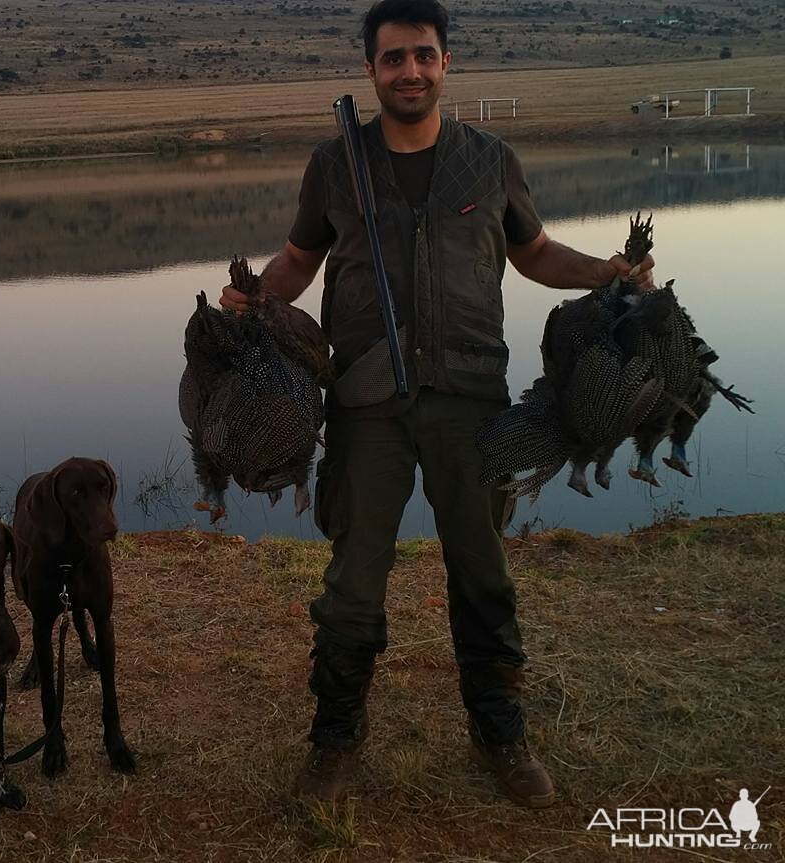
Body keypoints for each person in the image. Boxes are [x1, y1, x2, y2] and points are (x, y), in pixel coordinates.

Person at [220, 0, 655, 808]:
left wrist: (610, 273)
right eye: (394, 58)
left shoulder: (490, 161)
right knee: (354, 580)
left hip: (471, 400)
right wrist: (247, 300)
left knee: (482, 571)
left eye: (423, 55)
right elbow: (295, 262)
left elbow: (534, 253)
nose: (409, 70)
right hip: (367, 403)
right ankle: (335, 740)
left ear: (447, 62)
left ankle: (499, 734)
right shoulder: (334, 164)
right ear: (371, 70)